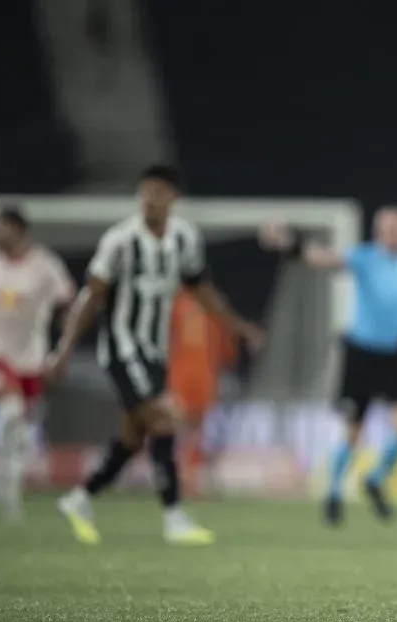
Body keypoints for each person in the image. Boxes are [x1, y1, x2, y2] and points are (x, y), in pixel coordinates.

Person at [47, 164, 263, 545]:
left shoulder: (184, 239)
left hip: (155, 351)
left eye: (158, 191)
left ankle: (81, 497)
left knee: (133, 436)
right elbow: (91, 297)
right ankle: (174, 516)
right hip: (121, 348)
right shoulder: (119, 241)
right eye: (145, 191)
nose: (149, 198)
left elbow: (202, 290)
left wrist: (238, 326)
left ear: (174, 197)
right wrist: (64, 348)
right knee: (165, 421)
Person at [259, 205, 397, 526]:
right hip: (361, 352)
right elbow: (319, 258)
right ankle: (334, 493)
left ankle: (375, 479)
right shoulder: (364, 257)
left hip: (394, 353)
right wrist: (289, 242)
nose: (393, 232)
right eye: (387, 227)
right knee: (353, 431)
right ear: (378, 231)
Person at [0, 207, 76, 521]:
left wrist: (63, 349)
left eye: (0, 228)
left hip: (32, 355)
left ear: (16, 229)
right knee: (9, 408)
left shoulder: (45, 265)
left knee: (23, 430)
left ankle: (8, 488)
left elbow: (68, 304)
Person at [167, 290, 238, 495]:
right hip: (186, 374)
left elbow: (224, 340)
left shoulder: (188, 302)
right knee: (185, 427)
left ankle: (191, 478)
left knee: (196, 428)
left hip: (201, 375)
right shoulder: (179, 302)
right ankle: (183, 477)